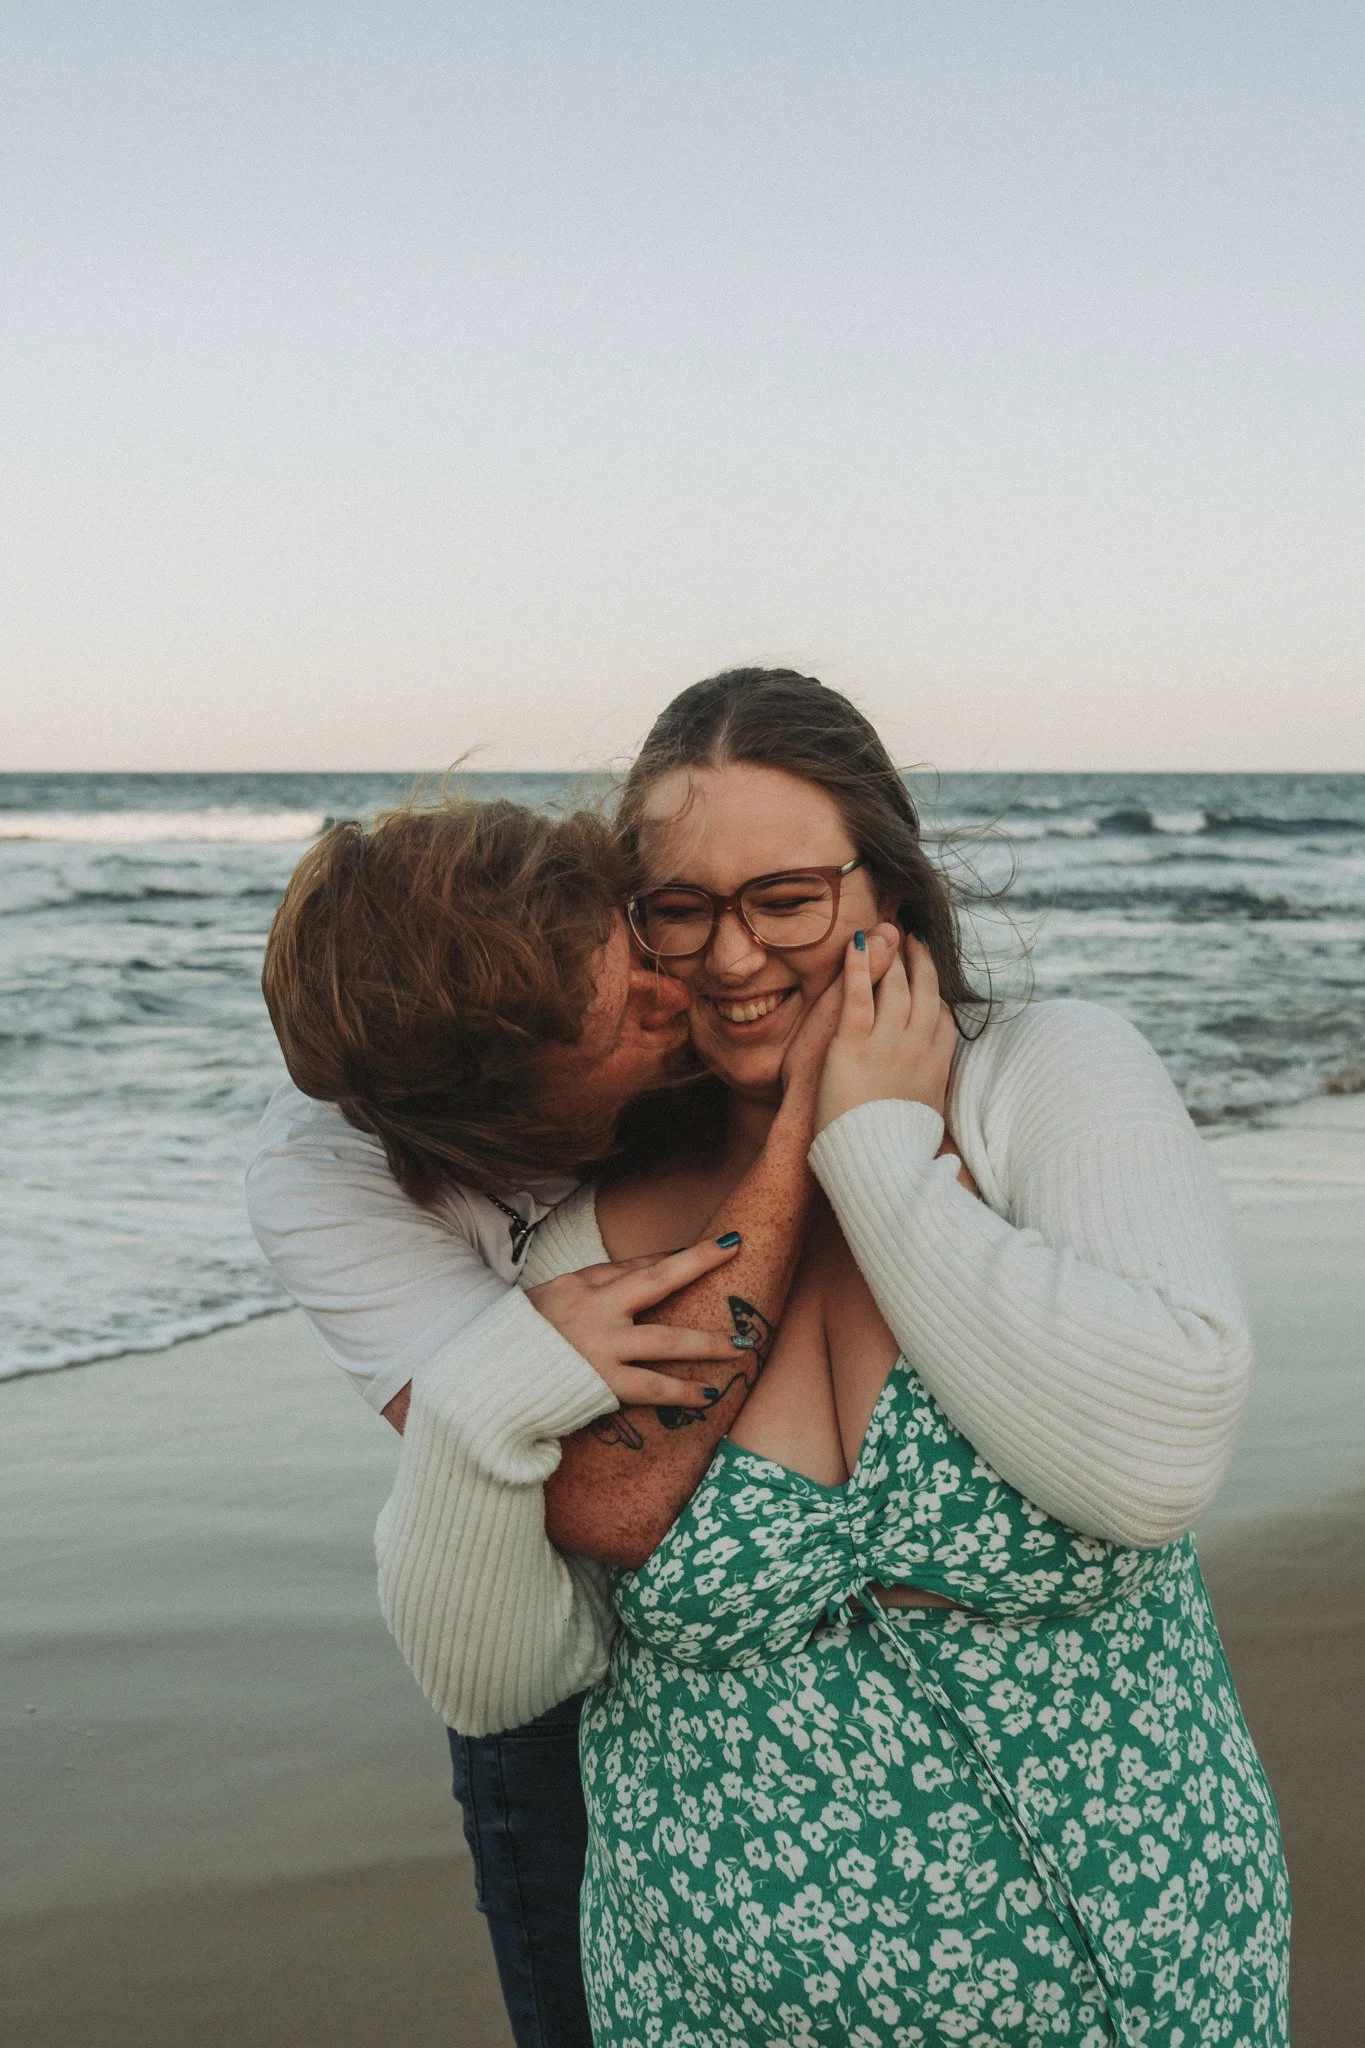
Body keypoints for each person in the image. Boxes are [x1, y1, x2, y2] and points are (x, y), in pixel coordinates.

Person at [381, 670, 1289, 2044]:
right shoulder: (578, 1227)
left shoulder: (1044, 1080)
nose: (734, 957)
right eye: (678, 908)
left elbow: (1153, 1463)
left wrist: (869, 1152)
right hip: (704, 2002)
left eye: (785, 898)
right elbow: (499, 1675)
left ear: (890, 893)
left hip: (1133, 1976)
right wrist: (471, 1413)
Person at [249, 789, 862, 2048]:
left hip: (805, 1620)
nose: (681, 990)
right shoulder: (329, 1177)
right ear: (508, 1126)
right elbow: (592, 1502)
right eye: (629, 1017)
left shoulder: (650, 942)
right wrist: (800, 1129)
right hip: (545, 1657)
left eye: (643, 946)